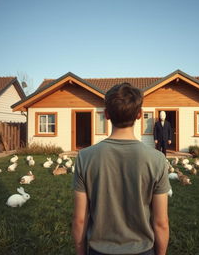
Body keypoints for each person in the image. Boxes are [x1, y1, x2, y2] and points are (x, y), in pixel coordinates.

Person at [72, 83, 171, 255]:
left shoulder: (84, 157)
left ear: (106, 114)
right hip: (143, 250)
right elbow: (161, 222)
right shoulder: (157, 160)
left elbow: (80, 220)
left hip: (98, 250)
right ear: (139, 115)